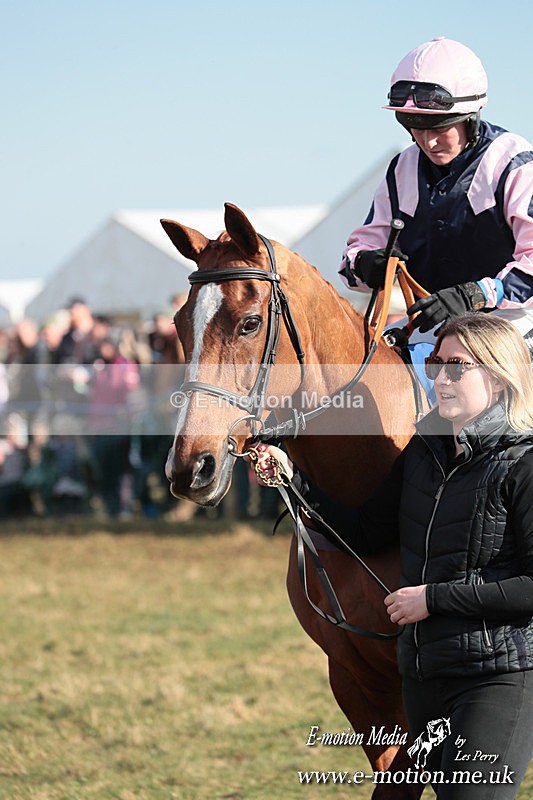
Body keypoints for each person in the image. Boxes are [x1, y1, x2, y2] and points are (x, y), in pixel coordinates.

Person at [252, 313, 533, 798]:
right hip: (425, 674)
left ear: (498, 374)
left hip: (500, 678)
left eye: (456, 367)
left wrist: (435, 600)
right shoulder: (425, 448)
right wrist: (293, 480)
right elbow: (364, 533)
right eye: (435, 365)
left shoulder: (524, 464)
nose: (439, 378)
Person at [340, 37, 533, 334]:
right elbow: (353, 261)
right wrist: (366, 263)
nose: (427, 141)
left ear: (470, 117)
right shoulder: (402, 167)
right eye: (415, 127)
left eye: (439, 128)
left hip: (511, 322)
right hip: (431, 322)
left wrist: (473, 295)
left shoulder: (513, 161)